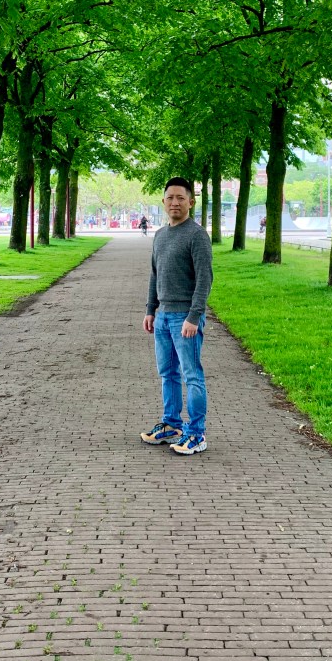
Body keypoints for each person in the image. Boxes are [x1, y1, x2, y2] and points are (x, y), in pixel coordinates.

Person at [141, 178, 213, 456]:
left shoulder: (197, 235)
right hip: (163, 317)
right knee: (167, 373)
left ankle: (196, 434)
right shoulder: (160, 235)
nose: (175, 202)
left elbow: (205, 279)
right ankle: (172, 425)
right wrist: (151, 310)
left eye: (181, 198)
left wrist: (194, 316)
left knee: (191, 375)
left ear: (190, 202)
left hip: (185, 318)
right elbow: (155, 274)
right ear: (163, 202)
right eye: (170, 198)